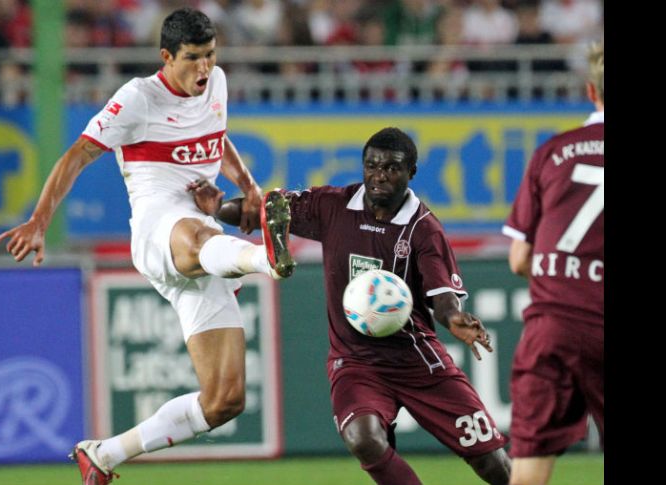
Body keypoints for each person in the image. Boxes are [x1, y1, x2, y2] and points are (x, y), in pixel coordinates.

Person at [0, 8, 295, 484]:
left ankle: (106, 454)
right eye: (193, 58)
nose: (204, 68)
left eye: (210, 56)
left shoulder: (216, 83)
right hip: (160, 230)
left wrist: (249, 185)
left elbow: (217, 134)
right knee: (198, 235)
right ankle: (266, 259)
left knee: (225, 400)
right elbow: (78, 155)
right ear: (166, 56)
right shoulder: (138, 98)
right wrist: (39, 219)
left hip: (203, 248)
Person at [190, 127, 512, 485]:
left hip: (418, 363)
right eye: (372, 166)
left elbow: (443, 301)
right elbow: (264, 209)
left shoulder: (424, 229)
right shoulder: (333, 206)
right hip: (356, 363)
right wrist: (218, 208)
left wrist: (455, 319)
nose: (380, 176)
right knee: (362, 437)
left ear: (412, 172)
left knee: (492, 462)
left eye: (391, 168)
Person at [501, 41, 603, 485]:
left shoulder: (552, 152)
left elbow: (519, 257)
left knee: (528, 471)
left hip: (551, 326)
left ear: (590, 91)